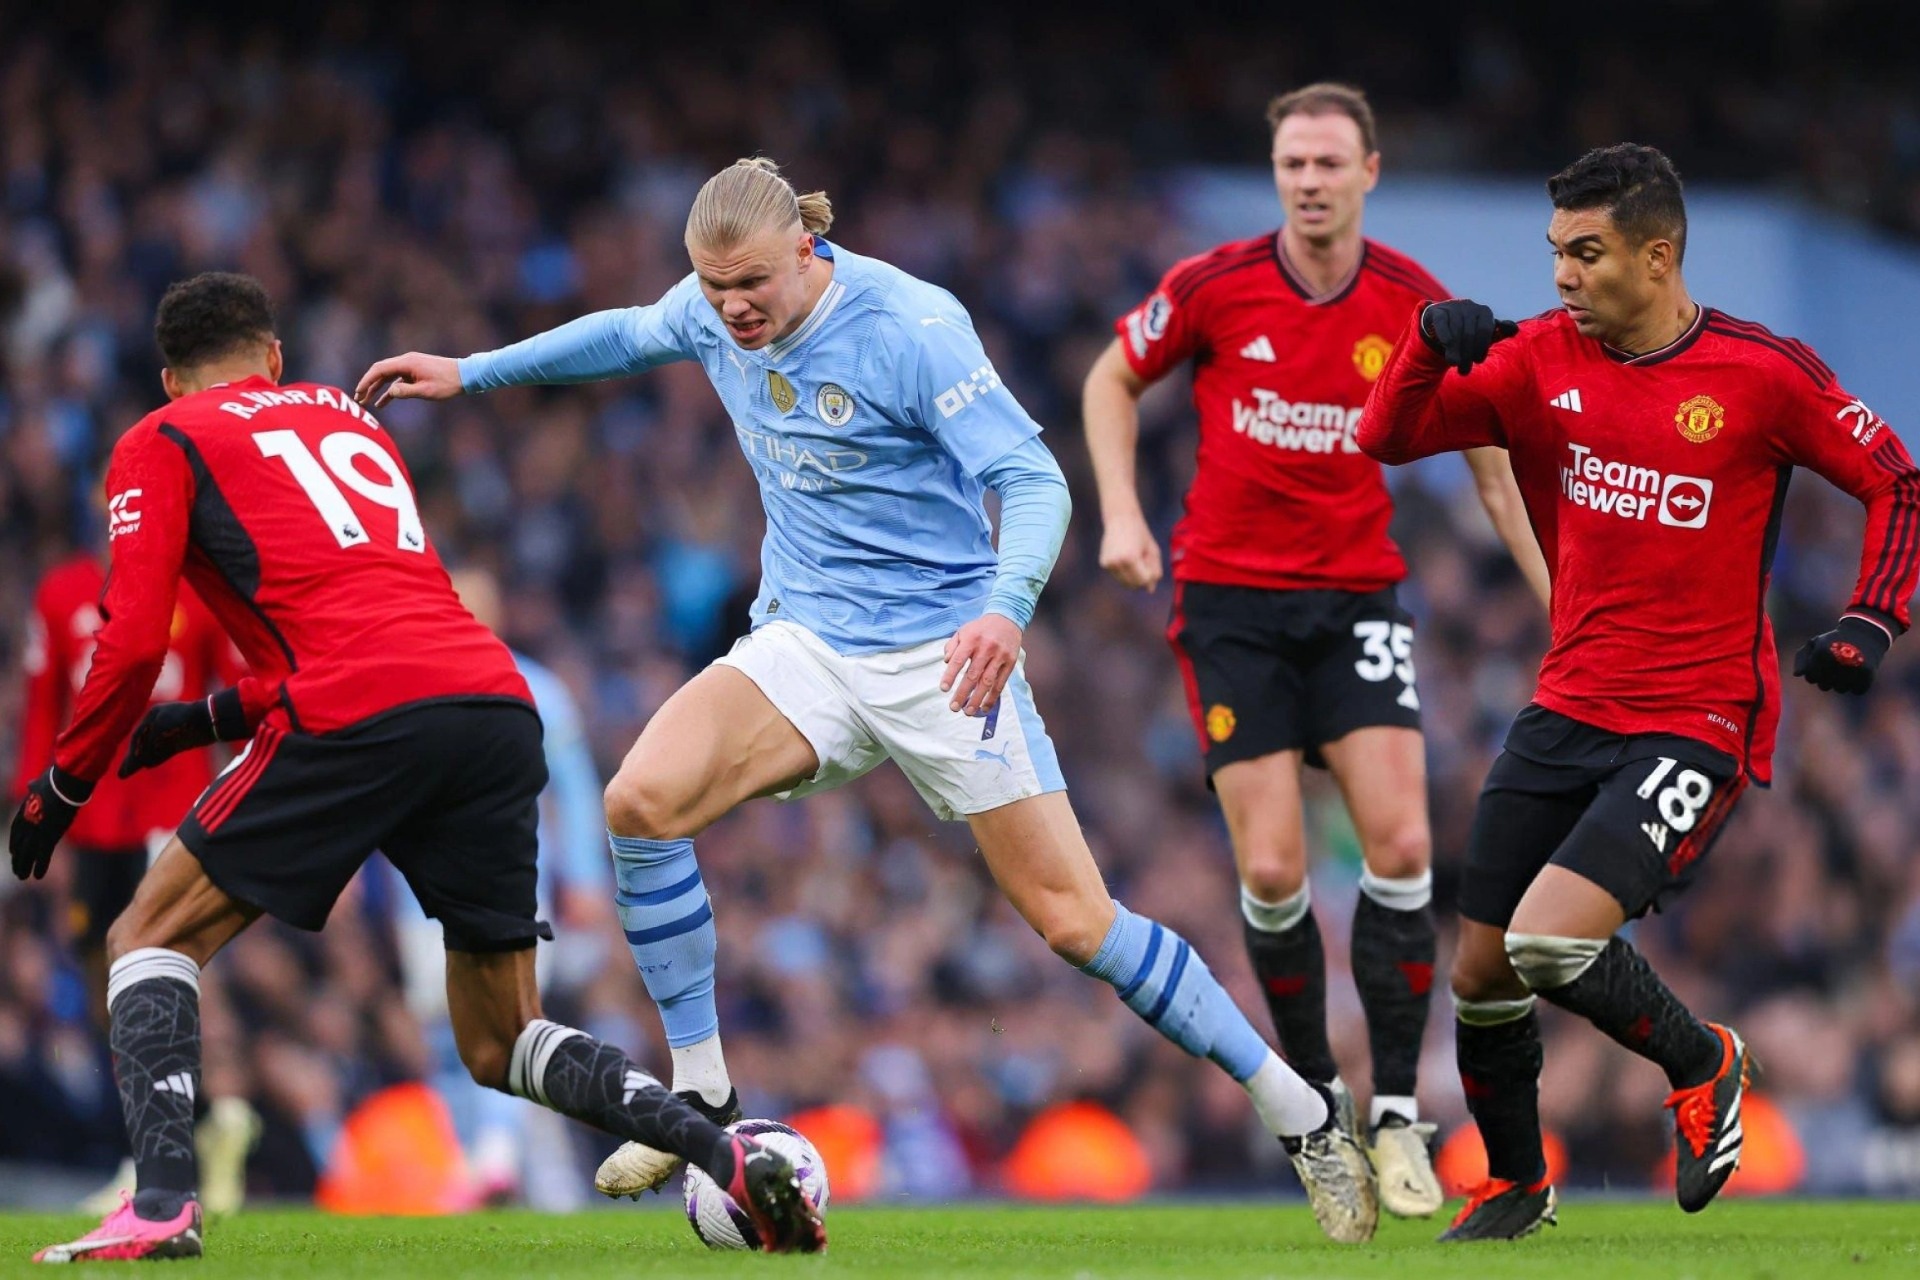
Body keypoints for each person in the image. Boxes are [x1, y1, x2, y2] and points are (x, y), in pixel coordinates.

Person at [357, 156, 1382, 1242]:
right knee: (640, 799)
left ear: (807, 248)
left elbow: (1034, 482)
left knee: (1078, 923)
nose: (732, 307)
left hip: (945, 652)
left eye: (750, 282)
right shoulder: (712, 311)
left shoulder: (909, 324)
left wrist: (1005, 608)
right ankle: (703, 1095)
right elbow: (621, 332)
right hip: (805, 639)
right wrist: (468, 372)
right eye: (712, 289)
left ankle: (1302, 1108)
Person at [8, 272, 826, 1262]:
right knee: (502, 1037)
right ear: (274, 356)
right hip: (488, 702)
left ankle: (164, 1203)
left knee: (146, 931)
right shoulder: (347, 423)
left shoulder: (164, 437)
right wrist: (195, 723)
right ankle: (722, 1148)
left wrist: (65, 781)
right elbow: (370, 618)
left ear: (170, 376)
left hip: (356, 712)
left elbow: (132, 642)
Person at [1355, 142, 1920, 1239]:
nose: (1563, 275)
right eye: (1556, 251)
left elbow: (1896, 478)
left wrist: (1869, 618)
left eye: (1587, 251)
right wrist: (1423, 349)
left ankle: (1705, 1059)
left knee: (1547, 943)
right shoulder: (1535, 361)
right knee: (1479, 972)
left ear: (1658, 256)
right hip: (1566, 702)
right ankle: (1518, 1184)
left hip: (1697, 716)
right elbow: (1386, 433)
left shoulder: (1762, 374)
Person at [1081, 82, 1548, 1219]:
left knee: (1400, 844)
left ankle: (1397, 1113)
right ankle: (1318, 1105)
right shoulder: (1215, 284)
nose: (1309, 179)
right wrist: (1122, 514)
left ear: (1369, 173)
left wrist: (1555, 590)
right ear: (1277, 171)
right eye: (1293, 161)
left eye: (1330, 162)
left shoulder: (1410, 300)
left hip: (1356, 599)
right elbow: (1111, 377)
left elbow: (1489, 454)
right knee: (1277, 871)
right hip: (1231, 602)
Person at [13, 555, 261, 1216]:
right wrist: (36, 809)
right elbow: (45, 709)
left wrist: (237, 796)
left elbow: (241, 693)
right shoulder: (63, 591)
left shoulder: (201, 595)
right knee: (102, 978)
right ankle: (204, 1119)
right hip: (91, 821)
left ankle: (159, 1148)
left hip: (170, 815)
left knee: (159, 965)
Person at [387, 565, 617, 1208]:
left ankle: (494, 1155)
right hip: (418, 893)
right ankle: (482, 1159)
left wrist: (585, 876)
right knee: (441, 1029)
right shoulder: (412, 684)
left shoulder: (534, 688)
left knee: (507, 1018)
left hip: (513, 885)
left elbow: (572, 790)